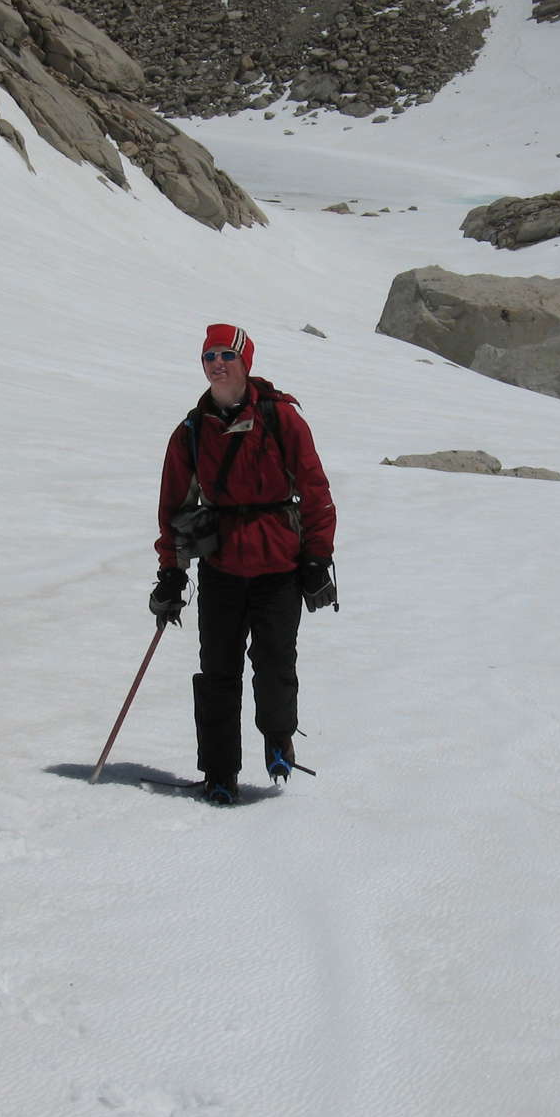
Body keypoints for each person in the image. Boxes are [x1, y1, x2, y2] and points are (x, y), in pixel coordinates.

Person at [150, 324, 337, 805]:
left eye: (226, 355)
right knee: (217, 671)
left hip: (279, 565)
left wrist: (318, 557)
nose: (217, 364)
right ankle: (219, 772)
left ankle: (278, 739)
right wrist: (171, 572)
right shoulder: (192, 431)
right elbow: (173, 507)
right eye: (209, 356)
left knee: (274, 664)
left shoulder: (281, 418)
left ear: (245, 361)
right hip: (222, 567)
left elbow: (315, 490)